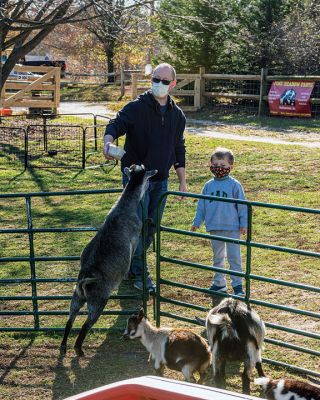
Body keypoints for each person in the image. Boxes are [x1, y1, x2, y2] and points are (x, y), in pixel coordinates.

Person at [103, 63, 187, 292]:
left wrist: (182, 180)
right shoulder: (136, 107)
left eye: (164, 81)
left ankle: (131, 266)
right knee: (137, 226)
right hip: (137, 180)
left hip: (161, 180)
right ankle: (141, 274)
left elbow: (179, 148)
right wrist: (107, 142)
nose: (159, 84)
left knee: (151, 227)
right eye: (155, 79)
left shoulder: (178, 116)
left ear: (173, 84)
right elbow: (115, 124)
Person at [191, 147, 247, 296]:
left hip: (232, 227)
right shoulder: (208, 186)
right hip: (214, 227)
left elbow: (242, 206)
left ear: (231, 167)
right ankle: (219, 283)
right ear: (210, 166)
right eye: (215, 165)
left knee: (234, 257)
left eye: (222, 166)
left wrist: (244, 223)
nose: (219, 169)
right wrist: (197, 222)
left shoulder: (235, 185)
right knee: (218, 257)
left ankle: (238, 287)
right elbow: (201, 206)